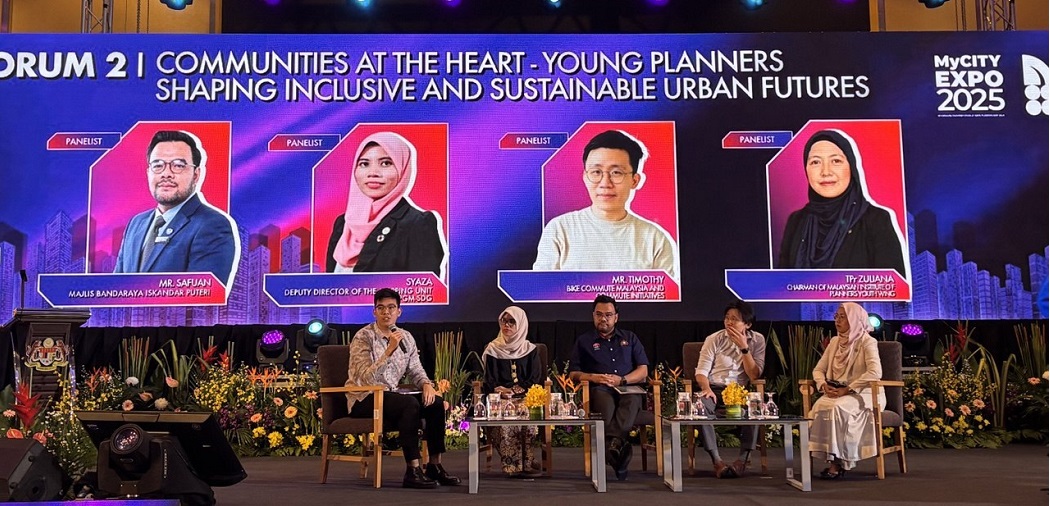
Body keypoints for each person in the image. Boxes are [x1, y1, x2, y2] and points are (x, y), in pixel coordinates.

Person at [344, 288, 460, 489]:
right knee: (408, 404)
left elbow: (415, 369)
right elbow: (366, 378)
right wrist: (389, 351)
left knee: (435, 403)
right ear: (374, 312)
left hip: (390, 396)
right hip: (364, 397)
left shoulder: (405, 337)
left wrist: (426, 385)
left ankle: (434, 466)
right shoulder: (363, 337)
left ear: (399, 311)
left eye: (391, 308)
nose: (386, 312)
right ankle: (412, 470)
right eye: (381, 308)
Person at [533, 130, 679, 280]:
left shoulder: (656, 239)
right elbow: (540, 288)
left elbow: (669, 294)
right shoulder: (560, 229)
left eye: (616, 173)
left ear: (635, 180)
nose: (605, 183)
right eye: (596, 172)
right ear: (585, 177)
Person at [113, 130, 238, 286]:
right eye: (158, 165)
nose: (166, 174)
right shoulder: (136, 223)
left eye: (178, 165)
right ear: (148, 172)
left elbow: (202, 297)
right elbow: (115, 289)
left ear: (196, 175)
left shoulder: (213, 225)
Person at [777, 129, 907, 276]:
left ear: (851, 166)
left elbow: (894, 287)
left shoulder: (876, 220)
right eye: (815, 162)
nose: (826, 172)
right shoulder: (796, 221)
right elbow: (779, 283)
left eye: (836, 161)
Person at [326, 132, 448, 277]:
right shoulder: (343, 224)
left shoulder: (417, 224)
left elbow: (425, 287)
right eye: (364, 164)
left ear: (403, 169)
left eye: (386, 163)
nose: (373, 173)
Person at [568, 294, 649, 481]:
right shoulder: (584, 341)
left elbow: (643, 371)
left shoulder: (630, 338)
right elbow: (573, 374)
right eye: (599, 314)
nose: (603, 319)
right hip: (600, 389)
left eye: (608, 315)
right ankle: (619, 451)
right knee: (606, 406)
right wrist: (593, 377)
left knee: (631, 400)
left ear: (616, 317)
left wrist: (622, 380)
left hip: (627, 387)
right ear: (593, 316)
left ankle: (613, 447)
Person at [808, 301, 885, 479]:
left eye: (842, 317)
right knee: (819, 407)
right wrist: (823, 385)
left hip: (863, 393)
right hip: (836, 392)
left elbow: (875, 372)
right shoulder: (835, 342)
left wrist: (849, 389)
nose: (837, 320)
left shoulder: (867, 342)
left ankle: (838, 463)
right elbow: (818, 370)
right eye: (836, 316)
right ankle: (830, 458)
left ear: (854, 319)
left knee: (837, 408)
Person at [693, 300, 766, 479]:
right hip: (714, 389)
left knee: (756, 407)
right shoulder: (714, 339)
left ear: (747, 324)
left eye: (735, 319)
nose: (729, 322)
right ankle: (717, 461)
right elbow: (701, 372)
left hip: (740, 392)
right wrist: (706, 388)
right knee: (700, 406)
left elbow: (754, 376)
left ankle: (742, 461)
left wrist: (744, 348)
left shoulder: (758, 340)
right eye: (727, 318)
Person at [481, 306, 544, 476]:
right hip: (500, 397)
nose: (507, 325)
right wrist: (500, 391)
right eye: (504, 321)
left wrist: (515, 391)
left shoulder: (530, 350)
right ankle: (511, 464)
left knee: (524, 410)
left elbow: (534, 378)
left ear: (521, 324)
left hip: (524, 396)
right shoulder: (493, 349)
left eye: (512, 322)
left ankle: (527, 460)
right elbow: (489, 379)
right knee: (506, 412)